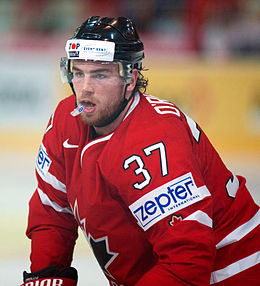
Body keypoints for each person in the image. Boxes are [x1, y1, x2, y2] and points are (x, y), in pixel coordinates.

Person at [21, 16, 260, 286]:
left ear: (130, 79)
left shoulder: (153, 139)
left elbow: (187, 261)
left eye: (100, 74)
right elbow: (52, 211)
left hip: (233, 273)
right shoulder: (65, 121)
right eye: (78, 72)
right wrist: (45, 276)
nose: (85, 88)